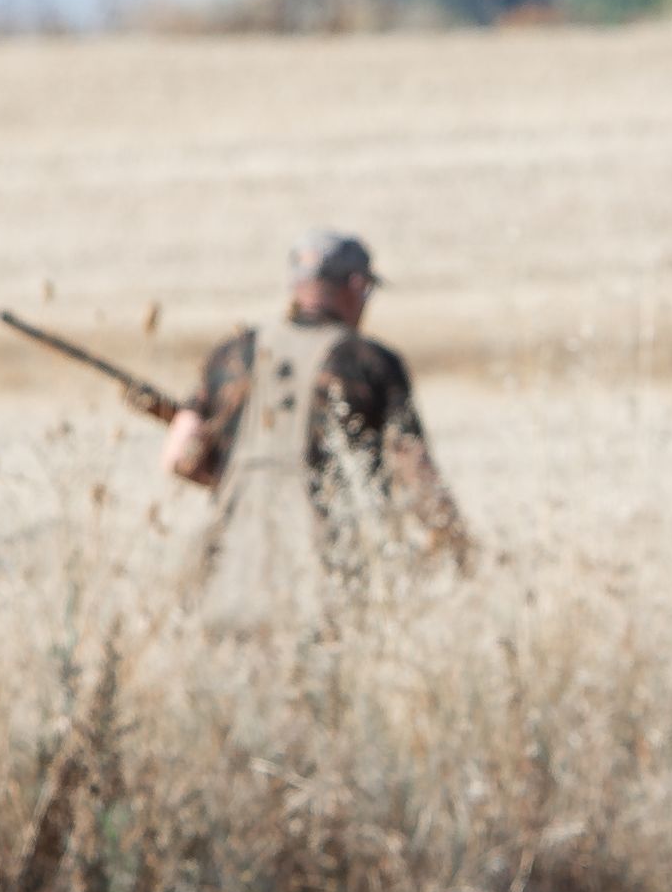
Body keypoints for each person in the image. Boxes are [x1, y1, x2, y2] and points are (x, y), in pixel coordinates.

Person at [164, 230, 471, 621]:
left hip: (225, 573)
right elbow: (414, 471)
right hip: (327, 577)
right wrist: (460, 549)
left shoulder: (230, 355)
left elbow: (180, 459)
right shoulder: (370, 362)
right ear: (357, 285)